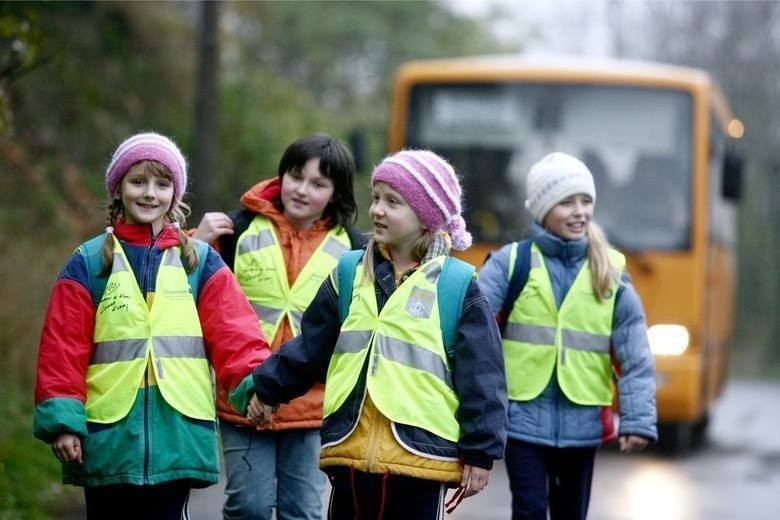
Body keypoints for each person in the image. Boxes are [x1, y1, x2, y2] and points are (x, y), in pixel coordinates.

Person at [233, 149, 508, 519]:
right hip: (351, 449)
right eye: (376, 198)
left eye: (393, 202)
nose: (377, 209)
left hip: (421, 459)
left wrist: (480, 452)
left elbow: (483, 377)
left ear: (426, 217)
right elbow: (311, 347)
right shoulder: (348, 272)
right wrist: (267, 389)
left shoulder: (458, 286)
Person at [33, 132, 271, 519]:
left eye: (162, 184)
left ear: (175, 194)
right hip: (107, 438)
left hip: (177, 435)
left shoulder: (201, 263)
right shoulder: (89, 262)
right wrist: (63, 422)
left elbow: (235, 332)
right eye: (138, 181)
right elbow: (63, 348)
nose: (149, 194)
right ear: (118, 189)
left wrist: (255, 388)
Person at [192, 133, 364, 520]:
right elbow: (177, 288)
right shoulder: (233, 232)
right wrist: (197, 246)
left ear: (336, 193)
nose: (302, 190)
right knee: (248, 507)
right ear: (281, 175)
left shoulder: (355, 251)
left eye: (318, 184)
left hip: (312, 406)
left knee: (301, 511)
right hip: (243, 397)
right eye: (295, 176)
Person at [477, 152, 658, 520]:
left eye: (585, 201)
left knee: (571, 513)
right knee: (528, 511)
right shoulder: (511, 263)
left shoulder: (609, 270)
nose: (579, 211)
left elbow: (634, 350)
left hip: (583, 421)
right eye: (566, 202)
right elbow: (473, 334)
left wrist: (638, 417)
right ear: (543, 209)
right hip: (522, 421)